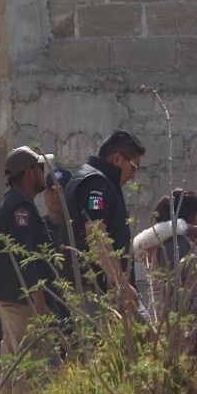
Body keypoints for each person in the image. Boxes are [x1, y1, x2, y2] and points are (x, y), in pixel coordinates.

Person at [0, 146, 56, 394]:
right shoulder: (19, 207)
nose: (44, 175)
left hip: (12, 299)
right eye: (40, 169)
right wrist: (39, 301)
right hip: (22, 301)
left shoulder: (13, 201)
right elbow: (25, 257)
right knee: (29, 363)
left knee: (12, 362)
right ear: (28, 174)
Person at [64, 130, 146, 308]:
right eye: (134, 167)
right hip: (97, 290)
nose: (133, 176)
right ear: (117, 159)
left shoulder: (88, 178)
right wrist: (121, 284)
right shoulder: (96, 183)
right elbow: (96, 237)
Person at [133, 189, 197, 353]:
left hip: (192, 326)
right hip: (182, 331)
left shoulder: (190, 241)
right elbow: (174, 291)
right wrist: (184, 330)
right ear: (194, 216)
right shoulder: (177, 244)